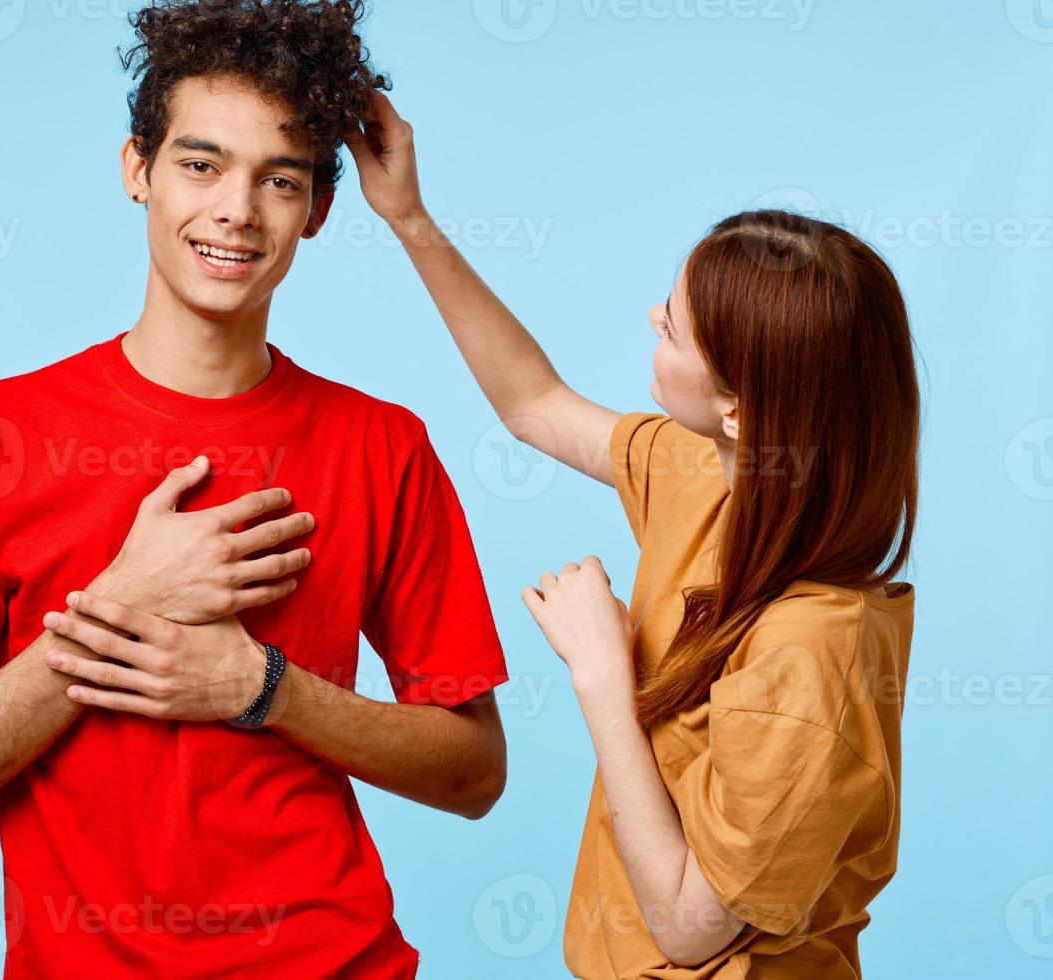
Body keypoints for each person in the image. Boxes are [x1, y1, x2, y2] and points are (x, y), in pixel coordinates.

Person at [0, 2, 508, 977]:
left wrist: (264, 690)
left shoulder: (385, 446)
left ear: (318, 209)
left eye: (278, 179)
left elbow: (474, 771)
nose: (236, 209)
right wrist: (122, 599)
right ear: (137, 171)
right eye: (200, 164)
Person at [345, 92, 918, 976]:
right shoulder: (713, 477)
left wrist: (603, 673)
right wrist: (410, 218)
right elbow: (533, 403)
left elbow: (692, 928)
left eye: (676, 326)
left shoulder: (810, 659)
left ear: (738, 404)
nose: (654, 320)